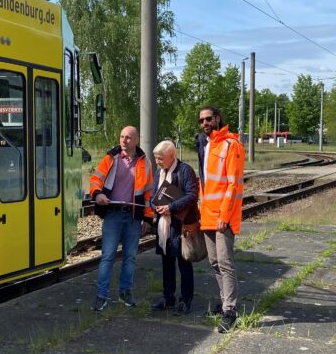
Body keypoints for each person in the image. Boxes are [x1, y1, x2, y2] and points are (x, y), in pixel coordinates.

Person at [89, 126, 153, 310]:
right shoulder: (110, 158)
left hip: (133, 216)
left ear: (137, 140)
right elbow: (95, 179)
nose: (124, 141)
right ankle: (101, 296)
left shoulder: (144, 162)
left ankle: (125, 293)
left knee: (130, 257)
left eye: (128, 137)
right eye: (122, 136)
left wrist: (148, 219)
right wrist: (97, 194)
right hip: (113, 214)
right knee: (107, 256)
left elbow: (148, 193)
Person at [197, 105, 245, 332]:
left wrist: (224, 216)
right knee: (215, 263)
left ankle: (230, 311)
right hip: (207, 214)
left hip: (222, 217)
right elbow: (206, 181)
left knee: (225, 263)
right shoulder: (207, 145)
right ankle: (224, 299)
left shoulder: (230, 145)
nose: (205, 123)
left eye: (208, 119)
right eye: (202, 121)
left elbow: (233, 184)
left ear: (218, 118)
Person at [149, 139, 198, 314]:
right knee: (167, 263)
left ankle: (186, 300)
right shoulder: (158, 172)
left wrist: (171, 207)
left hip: (180, 225)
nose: (157, 162)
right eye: (156, 158)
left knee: (184, 263)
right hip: (164, 226)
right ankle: (168, 297)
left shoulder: (185, 170)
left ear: (171, 156)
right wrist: (156, 207)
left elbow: (193, 195)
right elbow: (152, 197)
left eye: (160, 158)